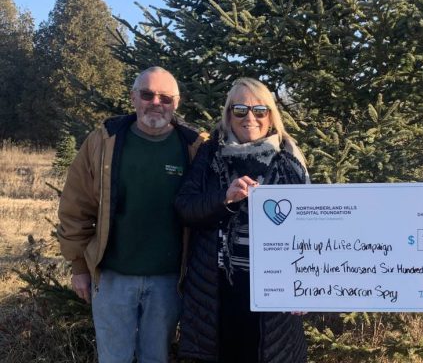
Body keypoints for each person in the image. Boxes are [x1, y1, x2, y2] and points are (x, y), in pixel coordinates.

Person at [57, 66, 207, 363]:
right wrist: (78, 266)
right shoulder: (104, 141)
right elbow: (76, 206)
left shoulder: (194, 146)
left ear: (176, 103)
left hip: (168, 281)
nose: (156, 103)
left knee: (156, 357)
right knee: (114, 358)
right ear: (133, 97)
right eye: (147, 94)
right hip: (113, 277)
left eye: (165, 98)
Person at [175, 77, 309, 362]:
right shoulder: (210, 154)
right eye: (240, 110)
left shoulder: (289, 157)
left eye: (260, 110)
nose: (250, 117)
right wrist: (224, 200)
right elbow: (185, 207)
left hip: (277, 288)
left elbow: (309, 227)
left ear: (271, 115)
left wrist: (307, 284)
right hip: (220, 286)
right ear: (228, 115)